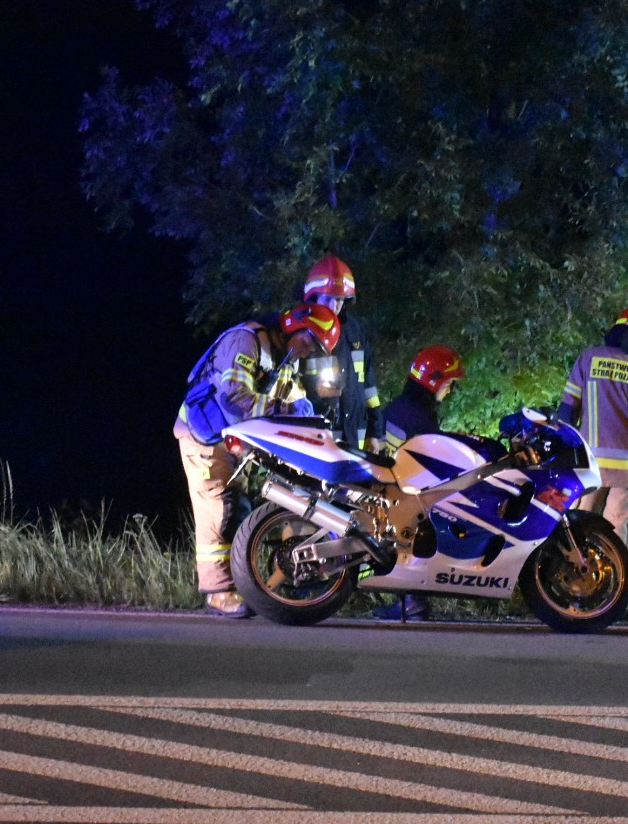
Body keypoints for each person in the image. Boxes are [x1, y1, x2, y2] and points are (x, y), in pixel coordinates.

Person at [173, 302, 341, 618]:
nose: (308, 353)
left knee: (239, 509)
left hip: (233, 440)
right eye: (310, 343)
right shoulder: (245, 341)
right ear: (294, 326)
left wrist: (315, 423)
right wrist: (288, 411)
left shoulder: (283, 359)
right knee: (219, 510)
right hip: (204, 438)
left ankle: (246, 586)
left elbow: (296, 403)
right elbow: (234, 398)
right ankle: (218, 593)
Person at [556, 303, 628, 545]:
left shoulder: (589, 359)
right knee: (615, 538)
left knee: (577, 531)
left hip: (590, 465)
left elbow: (566, 414)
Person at [372, 344, 466, 622]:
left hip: (393, 487)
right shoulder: (418, 415)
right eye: (448, 384)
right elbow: (431, 456)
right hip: (404, 493)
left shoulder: (402, 407)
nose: (449, 390)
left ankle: (410, 601)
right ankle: (412, 601)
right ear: (434, 381)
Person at [297, 255, 386, 452]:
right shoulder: (303, 331)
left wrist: (375, 431)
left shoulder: (354, 330)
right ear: (313, 296)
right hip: (321, 435)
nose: (333, 306)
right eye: (327, 298)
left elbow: (368, 385)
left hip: (356, 433)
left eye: (338, 299)